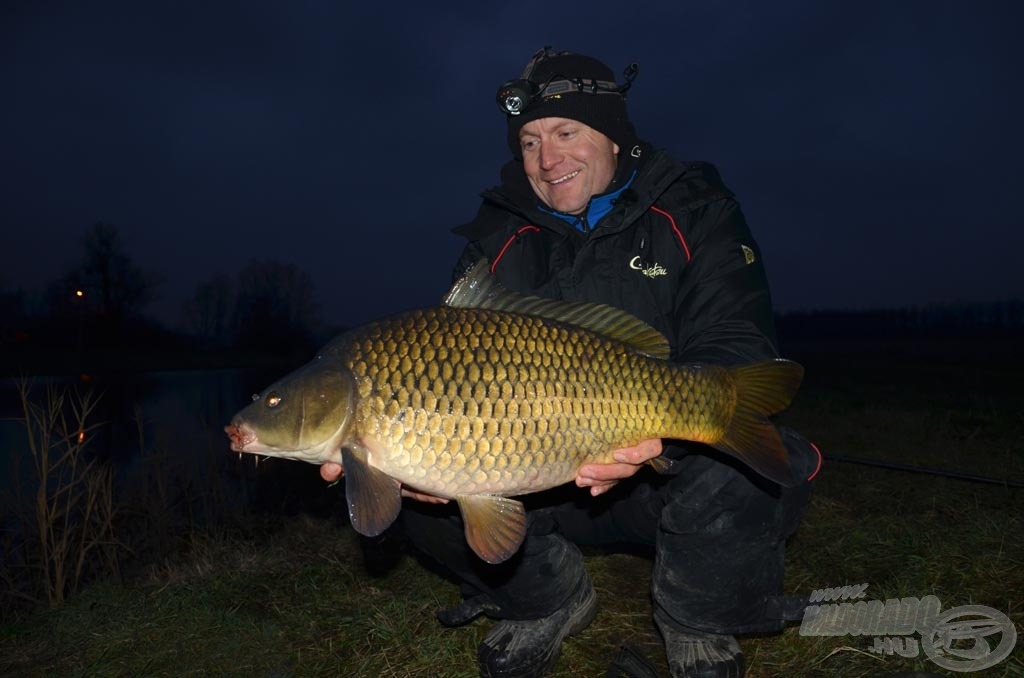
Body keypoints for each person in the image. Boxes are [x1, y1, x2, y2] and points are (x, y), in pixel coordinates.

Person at [322, 47, 820, 678]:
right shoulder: (494, 244)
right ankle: (548, 600)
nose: (546, 159)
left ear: (612, 136)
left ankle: (696, 618)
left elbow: (735, 338)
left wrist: (654, 432)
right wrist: (425, 456)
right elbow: (448, 351)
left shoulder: (697, 210)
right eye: (528, 142)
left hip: (664, 472)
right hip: (537, 478)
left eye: (565, 133)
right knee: (415, 479)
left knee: (751, 469)